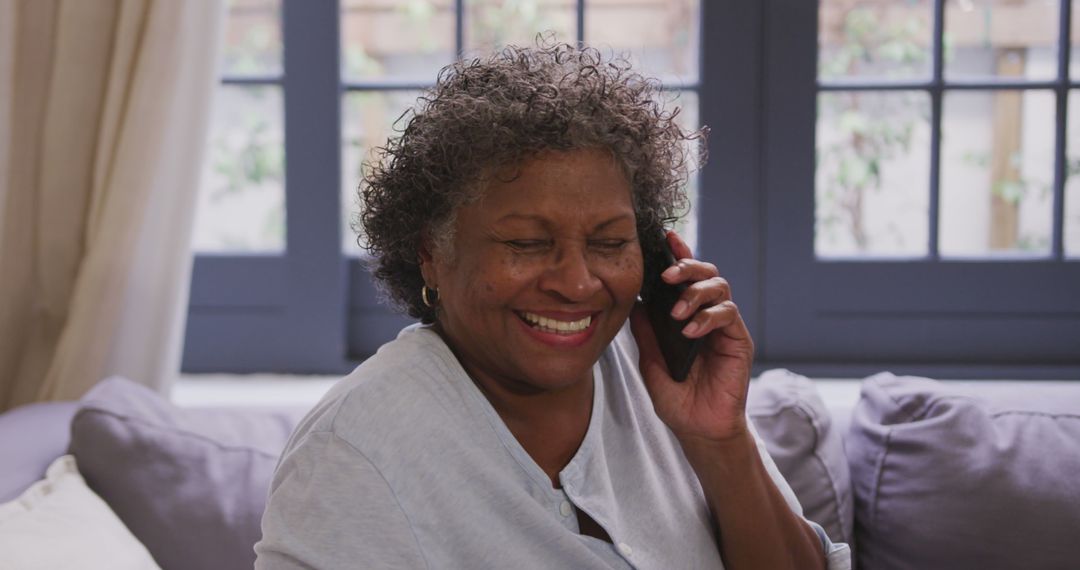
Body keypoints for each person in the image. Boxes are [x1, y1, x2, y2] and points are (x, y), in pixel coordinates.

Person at [255, 41, 850, 569]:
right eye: (527, 244)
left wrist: (721, 443)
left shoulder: (660, 376)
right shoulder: (353, 455)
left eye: (610, 243)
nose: (578, 282)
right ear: (432, 254)